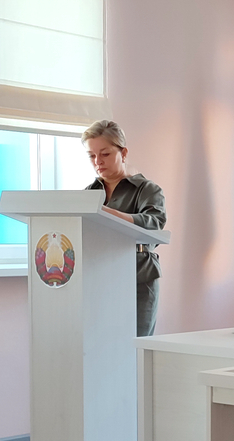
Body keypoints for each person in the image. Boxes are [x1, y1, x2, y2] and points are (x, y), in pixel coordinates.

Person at [82, 120, 167, 337]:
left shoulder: (147, 189)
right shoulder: (87, 194)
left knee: (134, 346)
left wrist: (105, 213)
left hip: (138, 278)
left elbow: (154, 224)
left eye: (105, 154)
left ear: (123, 153)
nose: (98, 161)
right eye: (92, 156)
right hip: (97, 277)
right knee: (100, 345)